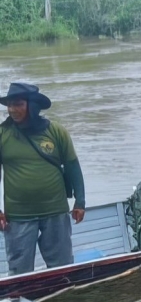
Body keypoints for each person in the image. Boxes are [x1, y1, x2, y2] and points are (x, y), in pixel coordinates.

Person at [0, 83, 86, 275]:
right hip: (18, 216)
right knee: (19, 272)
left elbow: (72, 166)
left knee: (62, 268)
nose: (12, 110)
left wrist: (80, 201)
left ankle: (63, 301)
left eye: (18, 104)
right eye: (10, 105)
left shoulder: (56, 131)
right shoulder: (2, 134)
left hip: (55, 211)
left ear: (32, 105)